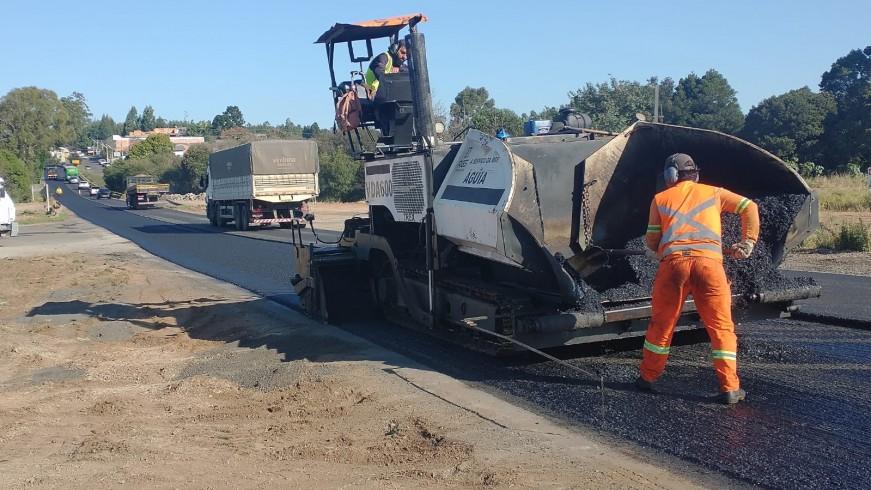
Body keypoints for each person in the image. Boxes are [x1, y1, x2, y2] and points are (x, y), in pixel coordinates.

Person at [636, 153, 759, 405]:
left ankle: (647, 378)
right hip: (710, 268)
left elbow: (651, 240)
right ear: (696, 174)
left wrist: (656, 250)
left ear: (670, 176)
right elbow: (749, 207)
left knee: (662, 325)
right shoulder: (714, 193)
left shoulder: (660, 198)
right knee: (721, 328)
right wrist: (747, 242)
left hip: (674, 268)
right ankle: (730, 388)